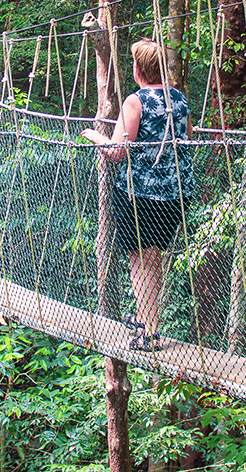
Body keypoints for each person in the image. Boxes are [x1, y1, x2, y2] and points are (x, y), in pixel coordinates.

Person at [81, 40, 194, 351]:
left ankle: (150, 332)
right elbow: (185, 138)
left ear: (139, 69)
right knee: (153, 257)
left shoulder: (136, 101)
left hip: (139, 194)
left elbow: (116, 151)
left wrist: (94, 135)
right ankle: (147, 320)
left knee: (140, 259)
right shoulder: (179, 99)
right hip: (175, 193)